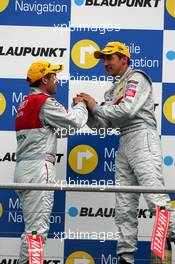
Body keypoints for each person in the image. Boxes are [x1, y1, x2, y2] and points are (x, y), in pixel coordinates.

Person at [77, 42, 175, 264]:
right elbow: (102, 125)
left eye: (110, 58)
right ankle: (125, 257)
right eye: (104, 59)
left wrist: (95, 106)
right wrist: (87, 109)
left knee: (154, 196)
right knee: (124, 204)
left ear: (124, 59)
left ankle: (170, 236)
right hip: (124, 141)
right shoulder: (112, 91)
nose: (106, 63)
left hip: (142, 136)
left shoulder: (137, 78)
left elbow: (127, 110)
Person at [14, 60, 88, 263]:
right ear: (44, 79)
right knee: (37, 231)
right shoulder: (44, 102)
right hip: (39, 169)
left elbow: (53, 131)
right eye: (53, 75)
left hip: (23, 169)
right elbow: (73, 122)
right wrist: (81, 105)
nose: (57, 79)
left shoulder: (24, 104)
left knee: (32, 229)